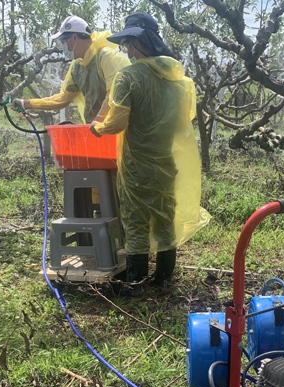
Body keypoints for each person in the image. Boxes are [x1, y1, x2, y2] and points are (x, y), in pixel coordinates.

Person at [90, 13, 208, 296]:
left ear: (135, 43)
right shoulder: (178, 79)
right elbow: (182, 121)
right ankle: (164, 279)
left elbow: (117, 123)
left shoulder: (128, 76)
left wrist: (97, 128)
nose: (126, 51)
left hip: (137, 164)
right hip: (167, 162)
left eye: (128, 44)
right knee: (166, 217)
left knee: (136, 219)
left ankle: (136, 284)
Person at [12, 16, 129, 124]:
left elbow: (115, 95)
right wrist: (26, 103)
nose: (63, 48)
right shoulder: (77, 66)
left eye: (63, 42)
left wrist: (98, 121)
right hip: (97, 132)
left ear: (74, 37)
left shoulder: (107, 58)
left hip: (118, 133)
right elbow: (62, 98)